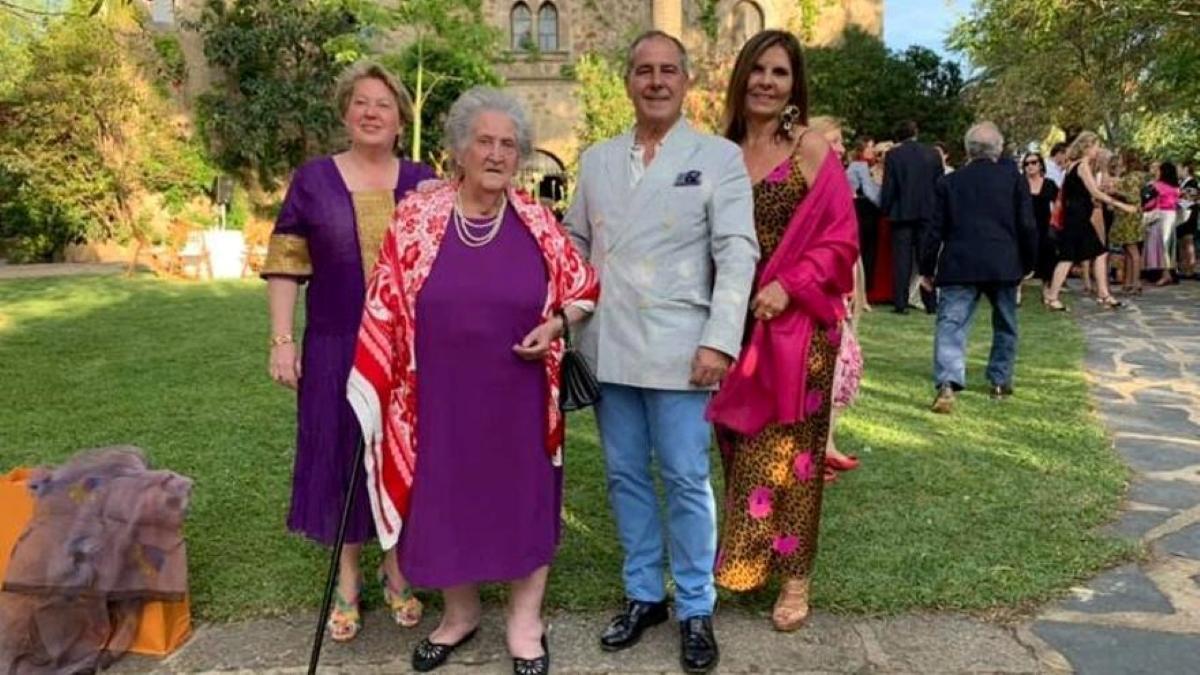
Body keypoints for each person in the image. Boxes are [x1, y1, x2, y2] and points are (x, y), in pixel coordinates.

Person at [346, 87, 599, 674]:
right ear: (460, 149)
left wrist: (558, 325)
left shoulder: (536, 221)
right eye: (484, 141)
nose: (496, 153)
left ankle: (524, 624)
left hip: (520, 394)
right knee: (444, 502)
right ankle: (459, 617)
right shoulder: (418, 216)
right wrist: (374, 378)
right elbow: (384, 296)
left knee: (524, 502)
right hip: (437, 396)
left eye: (508, 145)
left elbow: (584, 288)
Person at [563, 30, 759, 675]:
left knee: (683, 478)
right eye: (643, 70)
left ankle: (696, 605)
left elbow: (737, 254)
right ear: (628, 80)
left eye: (667, 70)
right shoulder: (595, 160)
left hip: (684, 347)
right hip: (610, 342)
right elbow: (573, 246)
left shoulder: (718, 157)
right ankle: (645, 593)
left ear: (686, 80)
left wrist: (719, 339)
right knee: (623, 475)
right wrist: (565, 316)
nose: (655, 81)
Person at [262, 61, 434, 643]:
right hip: (335, 345)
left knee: (403, 458)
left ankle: (398, 568)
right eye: (360, 102)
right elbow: (285, 265)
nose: (370, 113)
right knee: (340, 455)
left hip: (410, 353)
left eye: (382, 104)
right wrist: (283, 341)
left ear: (399, 117)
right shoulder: (312, 180)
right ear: (345, 113)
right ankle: (348, 578)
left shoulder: (423, 181)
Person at [705, 29, 858, 632]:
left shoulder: (810, 150)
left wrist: (788, 284)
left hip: (797, 329)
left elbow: (841, 237)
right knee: (738, 445)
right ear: (742, 77)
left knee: (791, 457)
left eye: (780, 73)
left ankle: (793, 581)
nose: (767, 82)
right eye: (759, 70)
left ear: (795, 85)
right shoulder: (718, 153)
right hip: (730, 324)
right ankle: (750, 561)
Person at [920, 123, 1037, 413]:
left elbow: (935, 229)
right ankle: (999, 380)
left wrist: (926, 267)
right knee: (1006, 324)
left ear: (968, 148)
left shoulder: (950, 182)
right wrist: (1029, 262)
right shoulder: (1014, 180)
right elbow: (1027, 224)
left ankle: (947, 382)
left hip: (960, 262)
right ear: (998, 148)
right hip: (1004, 261)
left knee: (952, 323)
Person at [806, 116, 866, 480]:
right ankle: (818, 449)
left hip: (838, 289)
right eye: (836, 140)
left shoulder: (836, 184)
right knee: (827, 370)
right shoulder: (809, 187)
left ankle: (825, 444)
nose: (842, 148)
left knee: (844, 368)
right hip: (816, 291)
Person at [1041, 132, 1137, 311]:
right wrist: (1122, 206)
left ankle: (1103, 294)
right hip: (1077, 219)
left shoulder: (1072, 165)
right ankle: (1053, 297)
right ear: (1086, 147)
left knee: (1097, 253)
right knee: (1068, 258)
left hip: (1076, 217)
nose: (1098, 150)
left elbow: (1082, 191)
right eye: (1095, 146)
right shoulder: (1083, 165)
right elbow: (1095, 193)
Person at [881, 120, 942, 314]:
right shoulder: (933, 154)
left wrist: (886, 208)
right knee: (927, 259)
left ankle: (900, 302)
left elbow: (889, 185)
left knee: (902, 260)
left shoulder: (893, 155)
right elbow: (939, 184)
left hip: (902, 212)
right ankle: (930, 302)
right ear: (916, 133)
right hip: (927, 211)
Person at [1022, 152, 1059, 301]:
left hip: (1044, 226)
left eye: (1033, 162)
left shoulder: (1049, 184)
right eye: (1026, 163)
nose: (1030, 166)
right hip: (1025, 226)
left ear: (1040, 165)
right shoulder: (1020, 184)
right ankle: (1018, 290)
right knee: (1023, 257)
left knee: (1047, 255)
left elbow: (1059, 202)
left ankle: (1046, 290)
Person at [1110, 153, 1147, 295]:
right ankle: (1129, 282)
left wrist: (1116, 192)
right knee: (1127, 250)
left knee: (1132, 249)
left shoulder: (1132, 177)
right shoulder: (1133, 176)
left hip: (1129, 217)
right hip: (1127, 216)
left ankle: (1136, 282)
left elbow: (1133, 197)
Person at [846, 137, 881, 286]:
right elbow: (869, 192)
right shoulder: (859, 166)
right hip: (863, 210)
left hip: (863, 209)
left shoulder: (861, 166)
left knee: (867, 248)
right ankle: (863, 286)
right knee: (866, 249)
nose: (872, 151)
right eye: (869, 147)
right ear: (862, 150)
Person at [1150, 161, 1182, 286]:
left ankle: (1165, 274)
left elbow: (1151, 201)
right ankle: (1170, 272)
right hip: (1172, 215)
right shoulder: (1175, 187)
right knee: (1169, 246)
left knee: (1162, 246)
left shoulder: (1157, 185)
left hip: (1162, 215)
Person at [1177, 161, 1197, 279]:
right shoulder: (1182, 183)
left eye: (1179, 168)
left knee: (1188, 240)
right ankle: (1184, 268)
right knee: (1182, 242)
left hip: (1189, 215)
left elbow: (1189, 200)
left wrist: (1176, 202)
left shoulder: (1192, 182)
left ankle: (1190, 268)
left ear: (1186, 169)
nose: (1177, 171)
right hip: (1182, 216)